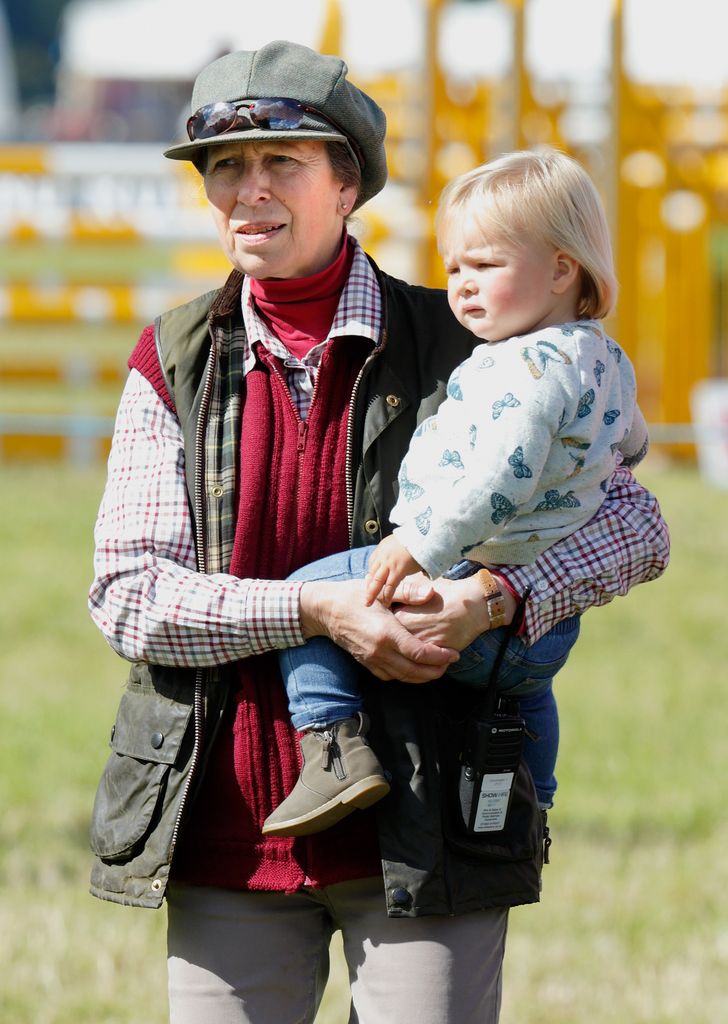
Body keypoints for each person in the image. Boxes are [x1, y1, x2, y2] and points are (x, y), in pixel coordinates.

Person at [87, 40, 670, 1024]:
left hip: (432, 819)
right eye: (225, 166)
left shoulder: (478, 337)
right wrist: (320, 611)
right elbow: (130, 597)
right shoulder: (168, 358)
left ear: (347, 182)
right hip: (230, 828)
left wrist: (493, 598)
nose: (248, 190)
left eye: (282, 161)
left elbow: (636, 523)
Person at [261, 148, 650, 840]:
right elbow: (633, 441)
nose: (463, 287)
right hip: (547, 621)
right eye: (454, 269)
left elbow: (497, 481)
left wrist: (419, 545)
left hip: (470, 573)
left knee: (310, 593)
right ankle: (534, 800)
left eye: (486, 265)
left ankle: (332, 745)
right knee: (528, 691)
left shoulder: (527, 369)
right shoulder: (603, 355)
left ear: (562, 269)